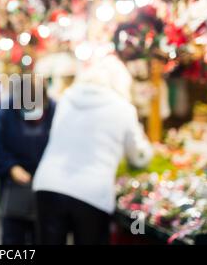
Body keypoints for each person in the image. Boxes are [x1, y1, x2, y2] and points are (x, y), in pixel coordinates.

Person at [32, 55, 153, 245]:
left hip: (48, 185)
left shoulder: (66, 98)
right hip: (92, 193)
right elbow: (138, 156)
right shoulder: (123, 108)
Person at [0, 77, 55, 244]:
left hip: (45, 184)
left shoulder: (54, 109)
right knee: (12, 238)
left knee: (42, 236)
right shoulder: (5, 110)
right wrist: (11, 167)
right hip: (13, 184)